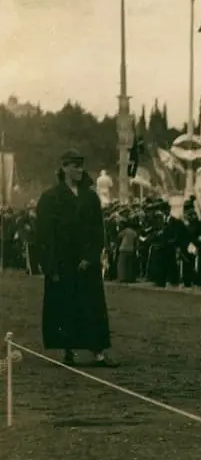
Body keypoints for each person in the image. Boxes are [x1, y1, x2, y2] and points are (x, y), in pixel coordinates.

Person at [36, 149, 116, 368]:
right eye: (74, 166)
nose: (79, 170)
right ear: (64, 168)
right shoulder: (50, 198)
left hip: (86, 263)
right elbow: (43, 234)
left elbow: (97, 231)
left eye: (81, 166)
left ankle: (98, 352)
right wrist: (50, 265)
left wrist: (90, 257)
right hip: (62, 263)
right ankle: (68, 351)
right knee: (65, 306)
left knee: (92, 307)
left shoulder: (90, 197)